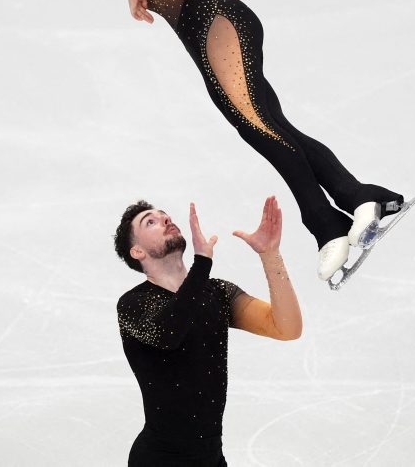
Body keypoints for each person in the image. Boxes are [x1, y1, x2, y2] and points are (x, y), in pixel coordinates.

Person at [105, 0, 414, 284]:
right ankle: (363, 197)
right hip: (211, 35)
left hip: (218, 24)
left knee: (258, 129)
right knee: (272, 126)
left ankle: (326, 224)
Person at [114, 196, 301, 466]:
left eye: (165, 215)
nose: (165, 219)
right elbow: (168, 333)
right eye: (150, 222)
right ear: (137, 251)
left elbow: (286, 328)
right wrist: (201, 263)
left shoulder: (218, 293)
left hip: (211, 459)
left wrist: (270, 255)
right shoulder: (132, 304)